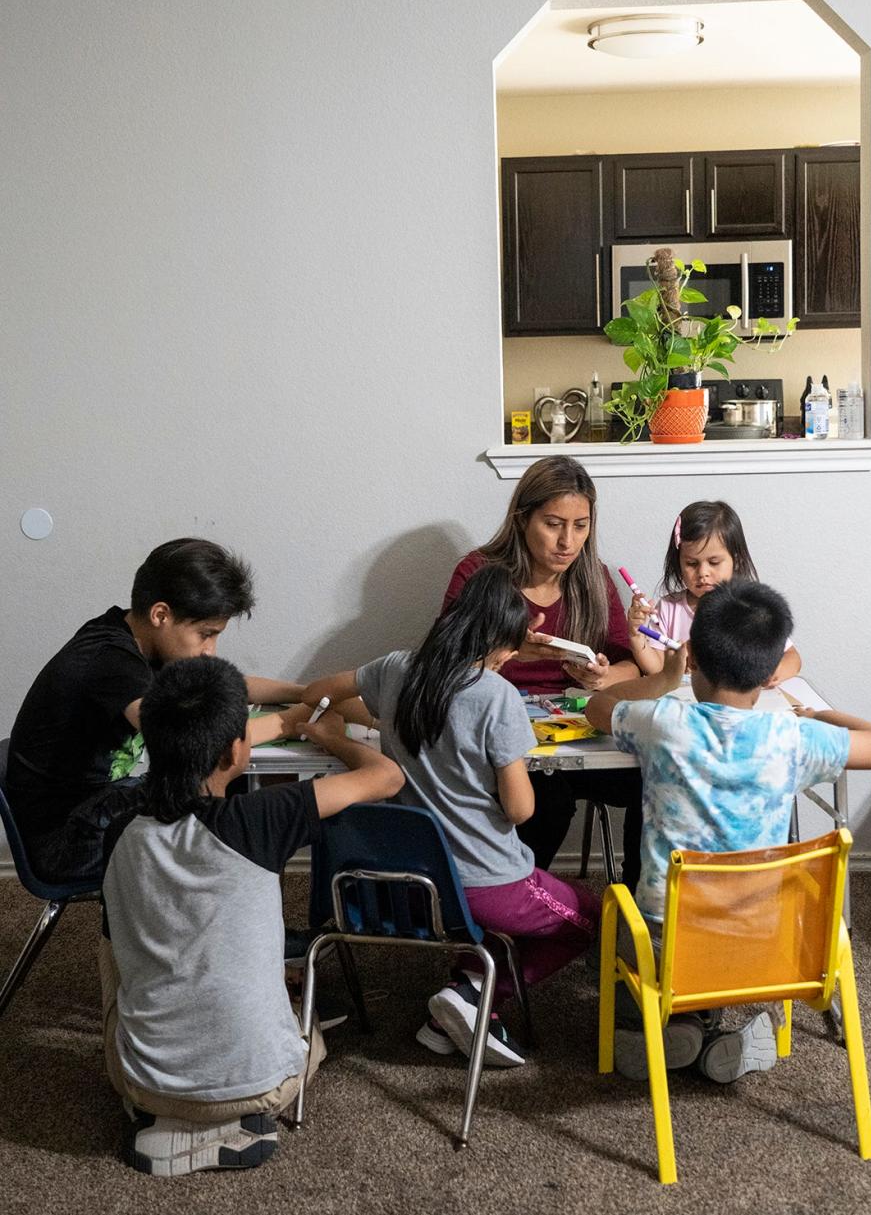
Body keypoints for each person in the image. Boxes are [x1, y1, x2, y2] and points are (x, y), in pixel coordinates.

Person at [586, 578, 871, 1084]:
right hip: (765, 943)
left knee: (622, 911)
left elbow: (598, 708)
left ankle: (671, 1026)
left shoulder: (663, 723)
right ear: (771, 667)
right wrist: (817, 715)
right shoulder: (793, 738)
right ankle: (742, 1039)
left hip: (667, 943)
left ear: (695, 659)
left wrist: (665, 678)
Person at [100, 654, 403, 1176]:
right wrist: (327, 735)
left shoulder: (118, 827)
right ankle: (234, 1119)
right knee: (307, 1023)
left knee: (112, 941)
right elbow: (386, 776)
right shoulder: (262, 817)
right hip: (261, 1084)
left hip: (143, 1080)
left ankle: (164, 1115)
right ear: (234, 751)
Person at [302, 564, 601, 1068]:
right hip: (485, 882)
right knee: (592, 917)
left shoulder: (397, 668)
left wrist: (355, 723)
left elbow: (319, 693)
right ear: (504, 643)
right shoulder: (497, 696)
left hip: (407, 887)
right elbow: (520, 808)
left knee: (484, 926)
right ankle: (473, 993)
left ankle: (449, 1015)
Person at [6, 537, 309, 883]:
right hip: (66, 839)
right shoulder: (111, 661)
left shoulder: (139, 637)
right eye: (205, 634)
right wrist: (288, 723)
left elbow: (221, 683)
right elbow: (194, 741)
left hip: (96, 802)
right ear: (161, 614)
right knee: (222, 816)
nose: (210, 650)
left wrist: (305, 693)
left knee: (229, 798)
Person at [441, 456, 644, 888]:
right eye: (553, 524)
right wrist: (519, 653)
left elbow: (632, 665)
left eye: (581, 525)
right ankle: (514, 906)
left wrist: (602, 678)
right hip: (502, 740)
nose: (567, 542)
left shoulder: (593, 577)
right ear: (522, 518)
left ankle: (638, 906)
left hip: (579, 731)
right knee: (548, 801)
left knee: (658, 778)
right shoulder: (479, 574)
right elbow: (444, 669)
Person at [629, 500, 802, 686]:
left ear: (735, 559)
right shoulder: (668, 607)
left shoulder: (747, 608)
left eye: (714, 562)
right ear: (678, 562)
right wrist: (635, 635)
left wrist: (775, 672)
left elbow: (793, 658)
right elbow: (656, 668)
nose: (703, 573)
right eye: (692, 564)